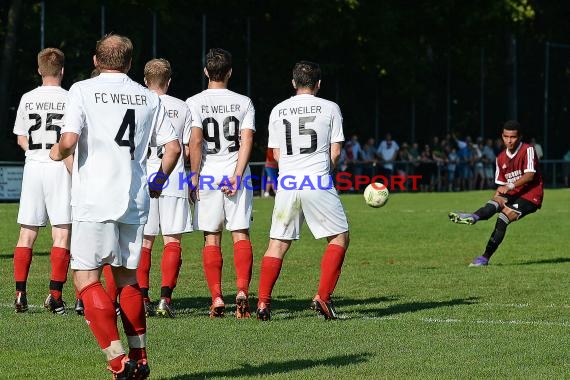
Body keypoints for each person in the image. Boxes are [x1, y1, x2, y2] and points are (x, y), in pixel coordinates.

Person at [49, 34, 180, 379]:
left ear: (95, 60)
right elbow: (173, 147)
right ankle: (141, 356)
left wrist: (57, 152)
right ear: (130, 63)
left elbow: (69, 140)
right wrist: (158, 181)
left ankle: (117, 360)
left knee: (86, 278)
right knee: (127, 281)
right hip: (134, 198)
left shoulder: (80, 89)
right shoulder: (148, 97)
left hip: (94, 198)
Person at [256, 60, 349, 321]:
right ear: (318, 84)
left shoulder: (278, 110)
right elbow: (336, 151)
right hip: (317, 179)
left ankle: (263, 303)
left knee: (277, 244)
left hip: (288, 182)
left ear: (293, 83)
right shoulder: (330, 108)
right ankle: (323, 297)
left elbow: (274, 153)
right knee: (339, 238)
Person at [186, 48, 255, 319]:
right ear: (229, 72)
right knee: (240, 233)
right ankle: (241, 291)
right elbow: (246, 139)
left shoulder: (194, 101)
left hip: (208, 173)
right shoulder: (244, 102)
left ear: (206, 72)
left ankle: (216, 297)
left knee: (211, 237)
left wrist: (193, 177)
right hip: (235, 171)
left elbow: (194, 141)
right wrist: (238, 175)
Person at [12, 47, 72, 315]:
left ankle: (20, 293)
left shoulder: (27, 98)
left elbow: (21, 137)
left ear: (39, 70)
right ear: (61, 70)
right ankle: (55, 295)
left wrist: (35, 152)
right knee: (61, 233)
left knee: (27, 234)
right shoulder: (71, 98)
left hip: (34, 167)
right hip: (60, 166)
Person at [137, 58, 193, 318]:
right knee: (172, 240)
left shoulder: (138, 104)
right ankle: (165, 299)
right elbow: (188, 148)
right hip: (174, 177)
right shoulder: (183, 107)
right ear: (169, 81)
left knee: (145, 242)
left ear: (145, 81)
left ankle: (143, 297)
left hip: (143, 178)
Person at [449, 120, 543, 267]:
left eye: (512, 137)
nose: (509, 140)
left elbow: (530, 175)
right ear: (502, 136)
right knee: (494, 203)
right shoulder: (500, 158)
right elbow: (500, 188)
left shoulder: (528, 149)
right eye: (506, 137)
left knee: (502, 218)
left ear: (519, 137)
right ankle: (474, 216)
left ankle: (484, 258)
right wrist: (494, 201)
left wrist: (510, 185)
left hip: (531, 195)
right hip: (513, 192)